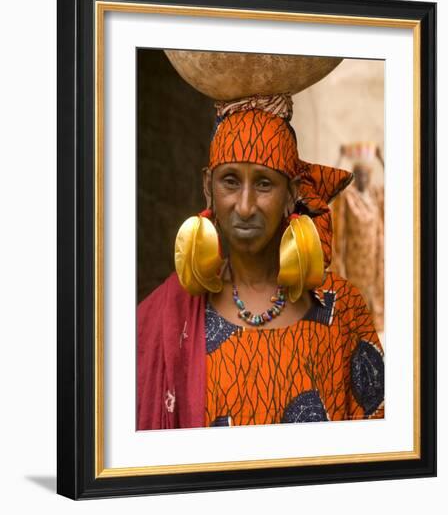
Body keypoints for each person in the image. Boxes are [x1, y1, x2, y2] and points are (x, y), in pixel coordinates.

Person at [137, 95, 384, 430]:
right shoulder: (167, 316)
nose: (245, 206)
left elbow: (379, 450)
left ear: (291, 194)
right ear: (207, 187)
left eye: (265, 184)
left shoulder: (342, 311)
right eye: (230, 181)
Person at [331, 143, 384, 331]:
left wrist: (381, 158)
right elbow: (333, 188)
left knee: (373, 302)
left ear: (370, 176)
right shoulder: (349, 197)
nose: (362, 178)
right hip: (354, 262)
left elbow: (400, 190)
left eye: (365, 175)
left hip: (374, 260)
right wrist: (340, 158)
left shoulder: (375, 195)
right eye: (358, 175)